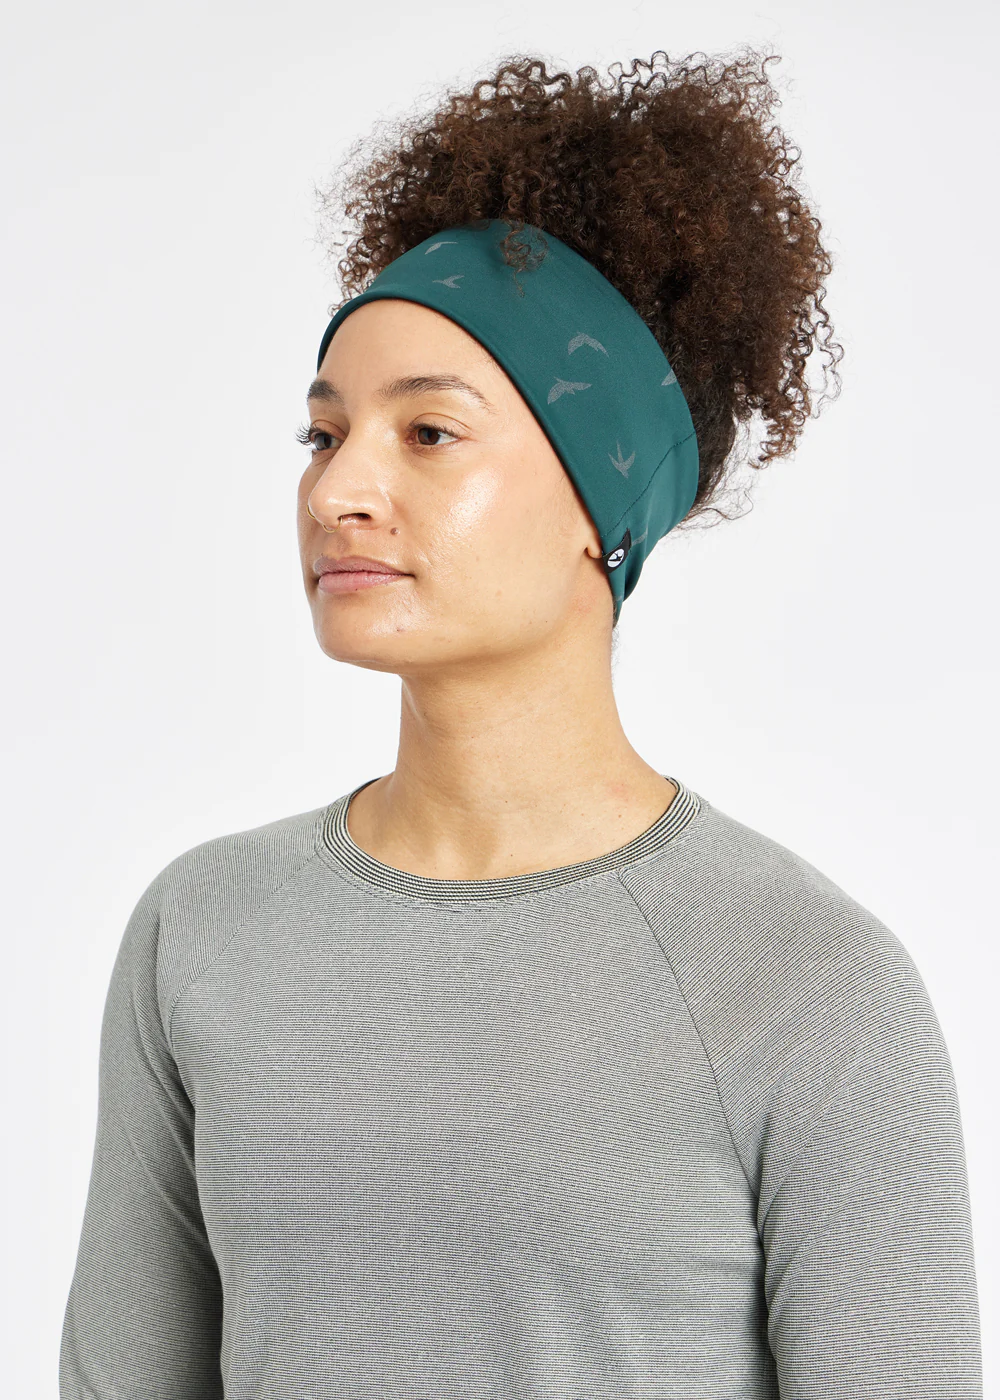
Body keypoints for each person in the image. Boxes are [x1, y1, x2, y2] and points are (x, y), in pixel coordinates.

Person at [59, 49, 982, 1400]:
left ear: (599, 509)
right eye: (324, 436)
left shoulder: (810, 983)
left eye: (428, 435)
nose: (339, 492)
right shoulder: (198, 934)